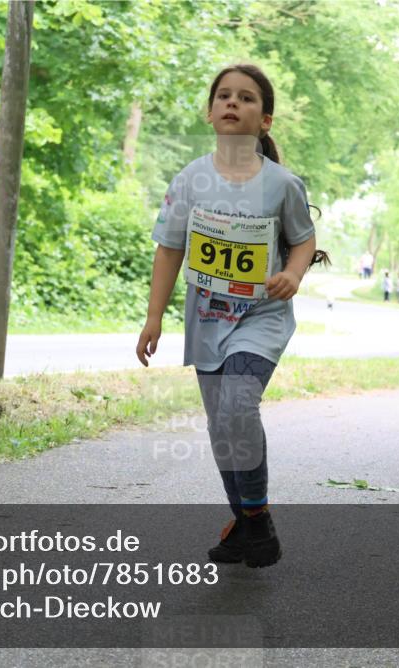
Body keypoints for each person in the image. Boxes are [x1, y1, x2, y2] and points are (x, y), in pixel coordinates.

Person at [136, 64, 328, 568]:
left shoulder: (282, 184)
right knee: (221, 428)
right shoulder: (190, 179)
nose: (232, 103)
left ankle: (257, 519)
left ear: (264, 120)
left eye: (245, 98)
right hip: (207, 322)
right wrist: (154, 318)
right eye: (223, 96)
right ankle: (244, 523)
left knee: (238, 407)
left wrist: (293, 273)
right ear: (210, 111)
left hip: (262, 317)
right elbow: (169, 249)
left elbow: (304, 239)